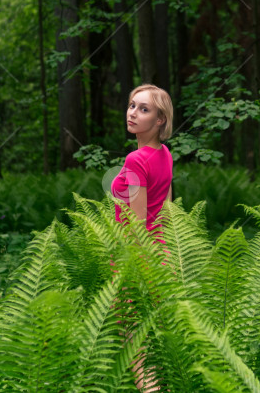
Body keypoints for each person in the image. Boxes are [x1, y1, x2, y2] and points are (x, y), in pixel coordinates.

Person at [109, 84, 173, 392]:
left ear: (160, 120)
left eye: (144, 109)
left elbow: (135, 223)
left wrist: (129, 269)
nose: (133, 113)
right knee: (154, 340)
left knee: (135, 346)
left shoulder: (136, 160)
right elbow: (167, 212)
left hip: (135, 258)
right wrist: (169, 255)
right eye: (132, 105)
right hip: (161, 254)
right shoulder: (164, 154)